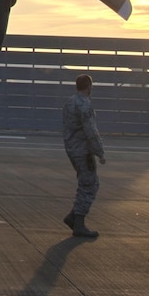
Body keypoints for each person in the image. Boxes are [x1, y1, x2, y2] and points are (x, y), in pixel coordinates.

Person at [59, 74, 104, 238]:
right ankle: (78, 221)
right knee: (90, 185)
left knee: (86, 182)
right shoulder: (84, 105)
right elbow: (91, 131)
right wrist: (100, 152)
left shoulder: (69, 102)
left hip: (72, 149)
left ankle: (73, 217)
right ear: (89, 87)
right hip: (83, 151)